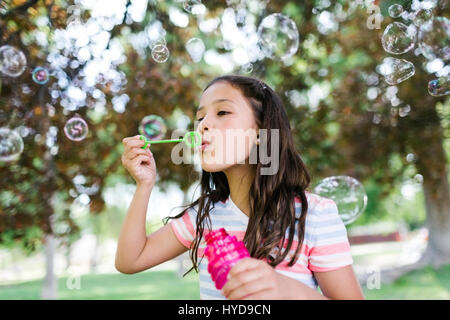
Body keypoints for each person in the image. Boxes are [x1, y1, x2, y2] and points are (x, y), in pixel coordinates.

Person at [115, 75, 364, 300]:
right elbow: (130, 260)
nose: (202, 125)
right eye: (200, 117)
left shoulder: (313, 215)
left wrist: (286, 289)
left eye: (222, 112)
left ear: (261, 132)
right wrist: (144, 185)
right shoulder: (204, 217)